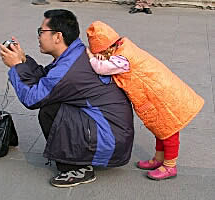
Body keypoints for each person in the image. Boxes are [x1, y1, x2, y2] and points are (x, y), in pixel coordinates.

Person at [0, 10, 134, 188]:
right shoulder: (75, 52)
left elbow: (32, 99)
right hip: (112, 131)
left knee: (49, 111)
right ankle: (77, 155)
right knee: (52, 101)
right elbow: (46, 81)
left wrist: (16, 67)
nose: (38, 37)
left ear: (57, 37)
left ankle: (76, 169)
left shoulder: (70, 68)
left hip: (109, 139)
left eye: (41, 32)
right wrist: (24, 61)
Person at [86, 21, 204, 180]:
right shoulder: (123, 47)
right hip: (160, 93)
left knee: (169, 131)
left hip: (162, 97)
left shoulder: (122, 58)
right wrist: (101, 56)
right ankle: (159, 159)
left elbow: (101, 68)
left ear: (107, 48)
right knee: (160, 130)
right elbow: (109, 62)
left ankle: (170, 166)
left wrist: (91, 57)